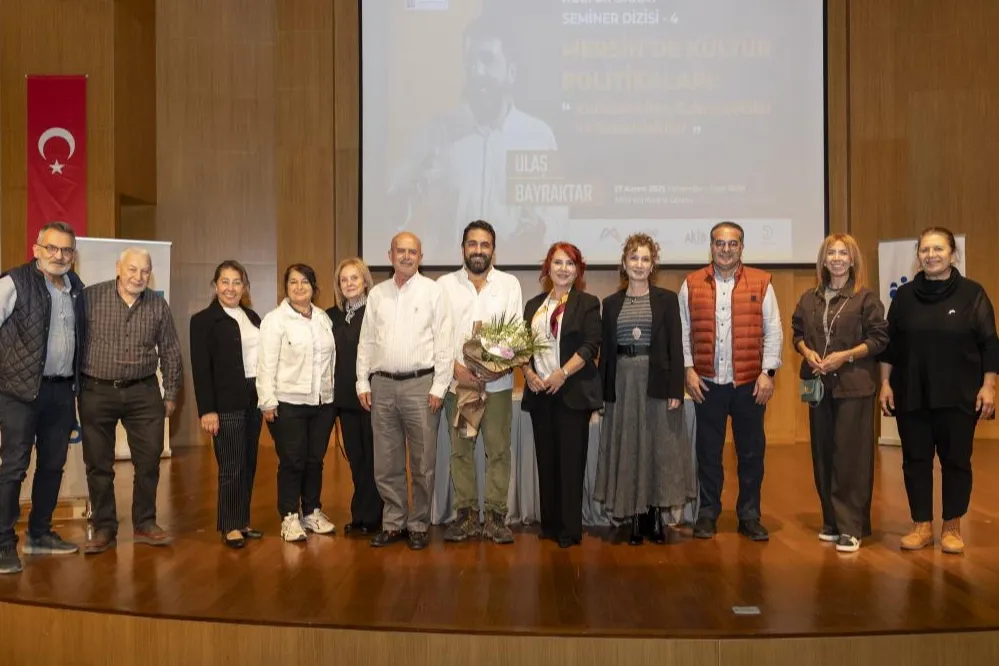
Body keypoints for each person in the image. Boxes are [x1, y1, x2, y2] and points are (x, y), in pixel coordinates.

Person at [388, 11, 566, 257]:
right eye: (470, 62)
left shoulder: (538, 136)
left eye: (487, 60)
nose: (477, 71)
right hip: (450, 274)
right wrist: (407, 196)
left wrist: (538, 230)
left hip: (514, 272)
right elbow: (398, 212)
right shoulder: (435, 134)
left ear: (511, 71)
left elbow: (557, 218)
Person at [879, 227, 998, 554]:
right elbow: (889, 346)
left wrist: (989, 386)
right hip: (911, 393)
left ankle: (951, 527)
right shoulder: (904, 297)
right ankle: (920, 525)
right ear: (918, 255)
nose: (931, 255)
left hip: (959, 395)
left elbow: (990, 344)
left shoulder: (973, 294)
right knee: (915, 460)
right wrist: (885, 383)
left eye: (938, 249)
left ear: (952, 254)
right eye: (925, 250)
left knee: (956, 461)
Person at [679, 221, 783, 541]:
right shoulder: (691, 283)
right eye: (720, 243)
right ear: (711, 247)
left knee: (751, 454)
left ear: (742, 247)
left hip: (749, 384)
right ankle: (708, 513)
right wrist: (688, 369)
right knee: (708, 453)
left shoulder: (762, 282)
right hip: (706, 383)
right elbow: (683, 331)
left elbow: (773, 330)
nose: (726, 249)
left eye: (732, 244)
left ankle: (749, 516)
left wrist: (768, 373)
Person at [79, 247, 183, 554]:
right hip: (97, 390)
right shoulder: (90, 298)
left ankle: (145, 523)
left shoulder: (158, 305)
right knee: (98, 463)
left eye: (145, 271)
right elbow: (74, 340)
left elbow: (171, 351)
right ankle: (104, 527)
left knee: (149, 460)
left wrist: (170, 395)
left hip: (143, 392)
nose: (138, 276)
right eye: (132, 269)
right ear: (118, 268)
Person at [595, 233, 695, 546]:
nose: (639, 264)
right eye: (634, 258)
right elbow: (606, 354)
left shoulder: (667, 300)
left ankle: (654, 517)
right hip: (623, 385)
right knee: (630, 448)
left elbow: (676, 346)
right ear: (624, 264)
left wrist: (676, 389)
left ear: (653, 266)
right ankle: (635, 518)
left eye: (645, 259)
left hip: (657, 382)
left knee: (657, 449)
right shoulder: (611, 304)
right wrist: (602, 394)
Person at [791, 234, 888, 553]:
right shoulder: (809, 298)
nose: (836, 258)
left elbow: (879, 339)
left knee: (851, 457)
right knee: (823, 454)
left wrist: (845, 356)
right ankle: (832, 521)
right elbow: (797, 333)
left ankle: (852, 527)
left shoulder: (865, 298)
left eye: (842, 253)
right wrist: (806, 352)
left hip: (854, 387)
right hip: (818, 386)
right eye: (830, 253)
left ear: (852, 260)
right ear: (823, 260)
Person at [356, 232, 453, 551]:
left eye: (413, 252)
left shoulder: (433, 292)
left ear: (421, 257)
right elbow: (366, 341)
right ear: (390, 255)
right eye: (401, 251)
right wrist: (362, 381)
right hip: (382, 385)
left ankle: (419, 524)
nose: (407, 256)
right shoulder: (377, 294)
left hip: (421, 385)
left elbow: (444, 341)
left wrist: (440, 385)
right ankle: (394, 522)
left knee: (423, 463)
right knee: (386, 462)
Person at [0, 222, 85, 574]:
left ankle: (39, 534)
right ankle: (3, 543)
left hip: (61, 391)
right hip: (18, 391)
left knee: (52, 465)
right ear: (36, 249)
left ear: (73, 255)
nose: (58, 255)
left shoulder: (76, 287)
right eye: (51, 247)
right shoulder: (14, 282)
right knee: (14, 468)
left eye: (66, 250)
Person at [438, 220, 523, 544]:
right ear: (463, 248)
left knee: (498, 452)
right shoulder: (445, 286)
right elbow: (439, 335)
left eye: (484, 244)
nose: (478, 250)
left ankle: (496, 517)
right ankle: (467, 516)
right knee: (462, 451)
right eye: (472, 244)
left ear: (493, 251)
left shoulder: (509, 285)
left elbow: (515, 332)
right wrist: (455, 368)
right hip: (461, 387)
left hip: (497, 386)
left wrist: (499, 368)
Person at [522, 242, 601, 549]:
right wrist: (528, 373)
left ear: (578, 270)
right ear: (548, 267)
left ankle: (569, 529)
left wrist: (563, 373)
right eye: (558, 262)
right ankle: (550, 524)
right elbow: (522, 347)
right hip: (540, 393)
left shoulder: (587, 303)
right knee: (547, 462)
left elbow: (591, 345)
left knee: (570, 464)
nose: (563, 269)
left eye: (570, 263)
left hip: (572, 393)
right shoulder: (534, 305)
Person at [257, 264, 338, 543]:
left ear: (314, 287)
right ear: (286, 287)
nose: (299, 287)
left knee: (315, 459)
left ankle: (312, 511)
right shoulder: (275, 320)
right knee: (293, 460)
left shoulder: (323, 318)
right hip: (288, 402)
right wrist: (267, 401)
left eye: (305, 281)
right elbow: (265, 363)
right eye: (293, 282)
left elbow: (331, 360)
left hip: (322, 402)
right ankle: (290, 516)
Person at [190, 260, 264, 549]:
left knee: (248, 462)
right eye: (225, 282)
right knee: (231, 464)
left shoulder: (253, 317)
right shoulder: (203, 321)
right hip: (225, 401)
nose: (231, 288)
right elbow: (200, 369)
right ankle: (230, 525)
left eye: (237, 282)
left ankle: (242, 520)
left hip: (254, 398)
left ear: (244, 287)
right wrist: (207, 410)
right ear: (215, 285)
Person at [326, 257, 382, 536]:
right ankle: (360, 513)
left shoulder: (376, 312)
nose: (349, 284)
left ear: (365, 281)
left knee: (373, 459)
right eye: (344, 279)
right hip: (345, 401)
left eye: (354, 278)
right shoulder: (331, 316)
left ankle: (374, 516)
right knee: (356, 459)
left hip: (371, 397)